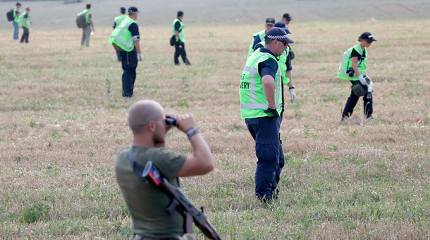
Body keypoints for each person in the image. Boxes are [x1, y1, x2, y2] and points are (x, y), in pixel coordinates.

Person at [115, 100, 214, 239]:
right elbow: (206, 163)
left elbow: (153, 156)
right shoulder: (158, 158)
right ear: (151, 126)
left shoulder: (122, 157)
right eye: (162, 122)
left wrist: (160, 132)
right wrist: (192, 130)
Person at [239, 27, 294, 202]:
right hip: (264, 116)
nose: (286, 47)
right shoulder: (268, 60)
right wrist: (272, 107)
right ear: (276, 42)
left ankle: (271, 191)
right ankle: (264, 197)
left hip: (252, 115)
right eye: (285, 43)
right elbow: (267, 81)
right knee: (269, 158)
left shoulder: (255, 55)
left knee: (277, 157)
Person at [253, 22, 296, 108]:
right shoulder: (262, 48)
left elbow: (288, 68)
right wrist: (272, 107)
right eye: (284, 39)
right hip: (264, 85)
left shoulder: (286, 48)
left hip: (278, 84)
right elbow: (266, 80)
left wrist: (291, 87)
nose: (286, 44)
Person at [338, 32, 377, 120]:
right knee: (367, 93)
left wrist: (364, 75)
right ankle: (368, 116)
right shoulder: (356, 50)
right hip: (354, 75)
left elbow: (360, 65)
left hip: (358, 74)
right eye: (368, 41)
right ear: (362, 40)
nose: (370, 43)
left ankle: (345, 117)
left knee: (355, 96)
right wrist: (359, 76)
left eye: (371, 42)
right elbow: (354, 64)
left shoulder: (363, 49)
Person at [109, 6, 144, 98]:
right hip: (127, 48)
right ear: (135, 14)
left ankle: (127, 91)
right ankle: (127, 93)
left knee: (126, 69)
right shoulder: (133, 24)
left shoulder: (125, 21)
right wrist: (139, 53)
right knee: (130, 70)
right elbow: (136, 39)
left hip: (119, 46)